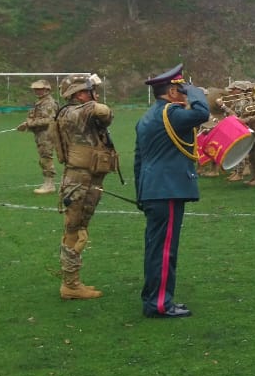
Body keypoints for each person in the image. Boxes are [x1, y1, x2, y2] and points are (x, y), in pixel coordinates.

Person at [134, 64, 210, 319]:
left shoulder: (148, 116)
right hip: (166, 190)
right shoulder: (172, 114)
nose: (185, 93)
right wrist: (195, 89)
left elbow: (138, 160)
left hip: (154, 190)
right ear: (172, 92)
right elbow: (202, 113)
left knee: (156, 248)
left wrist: (141, 193)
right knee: (165, 250)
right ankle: (159, 304)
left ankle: (153, 297)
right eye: (181, 89)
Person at [50, 73, 117, 300]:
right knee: (74, 229)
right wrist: (92, 97)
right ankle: (70, 284)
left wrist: (91, 91)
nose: (93, 95)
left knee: (79, 228)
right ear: (79, 94)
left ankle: (72, 281)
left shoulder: (77, 111)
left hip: (87, 178)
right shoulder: (74, 112)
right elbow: (104, 112)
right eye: (88, 91)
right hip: (79, 180)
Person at [18, 79, 58, 194]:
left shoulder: (49, 103)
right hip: (41, 134)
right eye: (36, 89)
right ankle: (48, 183)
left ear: (47, 90)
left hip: (47, 134)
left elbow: (49, 120)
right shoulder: (40, 102)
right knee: (43, 158)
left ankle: (49, 184)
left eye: (40, 89)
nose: (37, 91)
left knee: (46, 158)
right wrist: (27, 123)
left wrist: (28, 124)